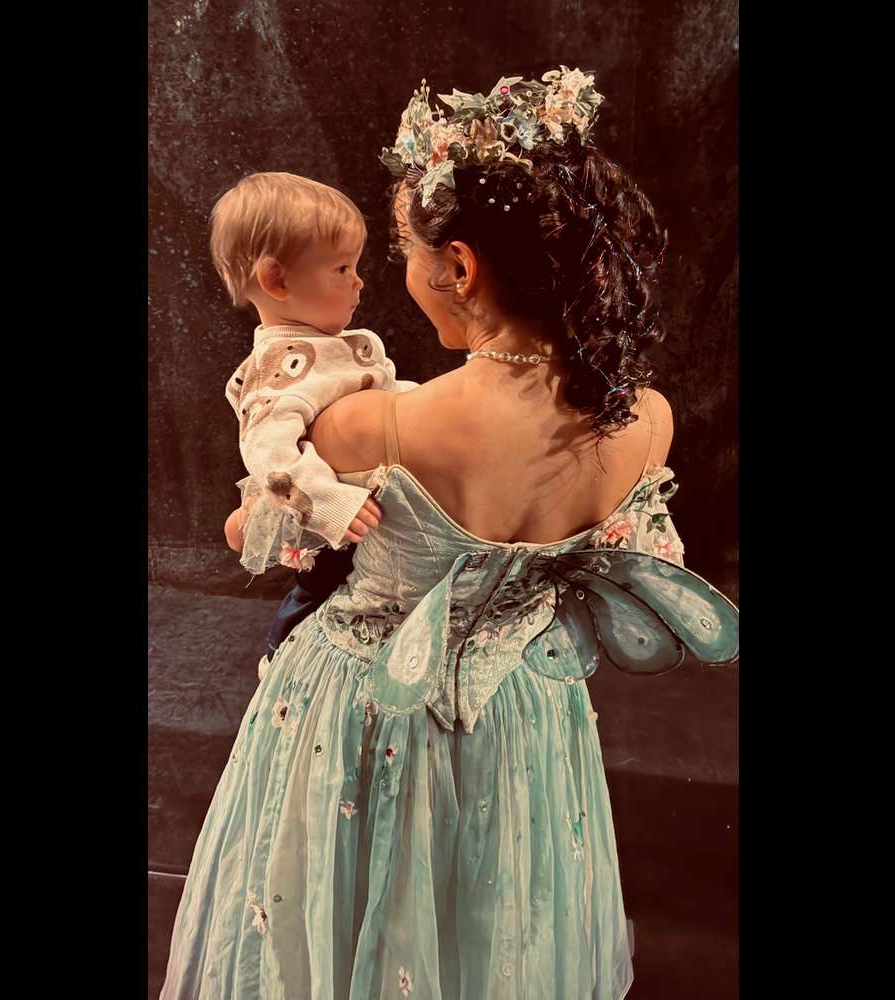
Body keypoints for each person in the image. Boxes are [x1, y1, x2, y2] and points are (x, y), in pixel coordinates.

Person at [161, 66, 738, 999]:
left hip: (366, 715)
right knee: (502, 916)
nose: (391, 273)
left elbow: (270, 539)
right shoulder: (650, 420)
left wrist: (246, 519)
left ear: (459, 268)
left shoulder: (372, 426)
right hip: (528, 712)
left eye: (395, 251)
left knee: (345, 923)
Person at [210, 172, 418, 666]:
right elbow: (268, 449)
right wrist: (325, 503)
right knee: (317, 596)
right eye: (342, 268)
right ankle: (284, 663)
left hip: (373, 523)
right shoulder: (278, 367)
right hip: (328, 518)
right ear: (277, 281)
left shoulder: (332, 347)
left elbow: (387, 398)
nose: (359, 281)